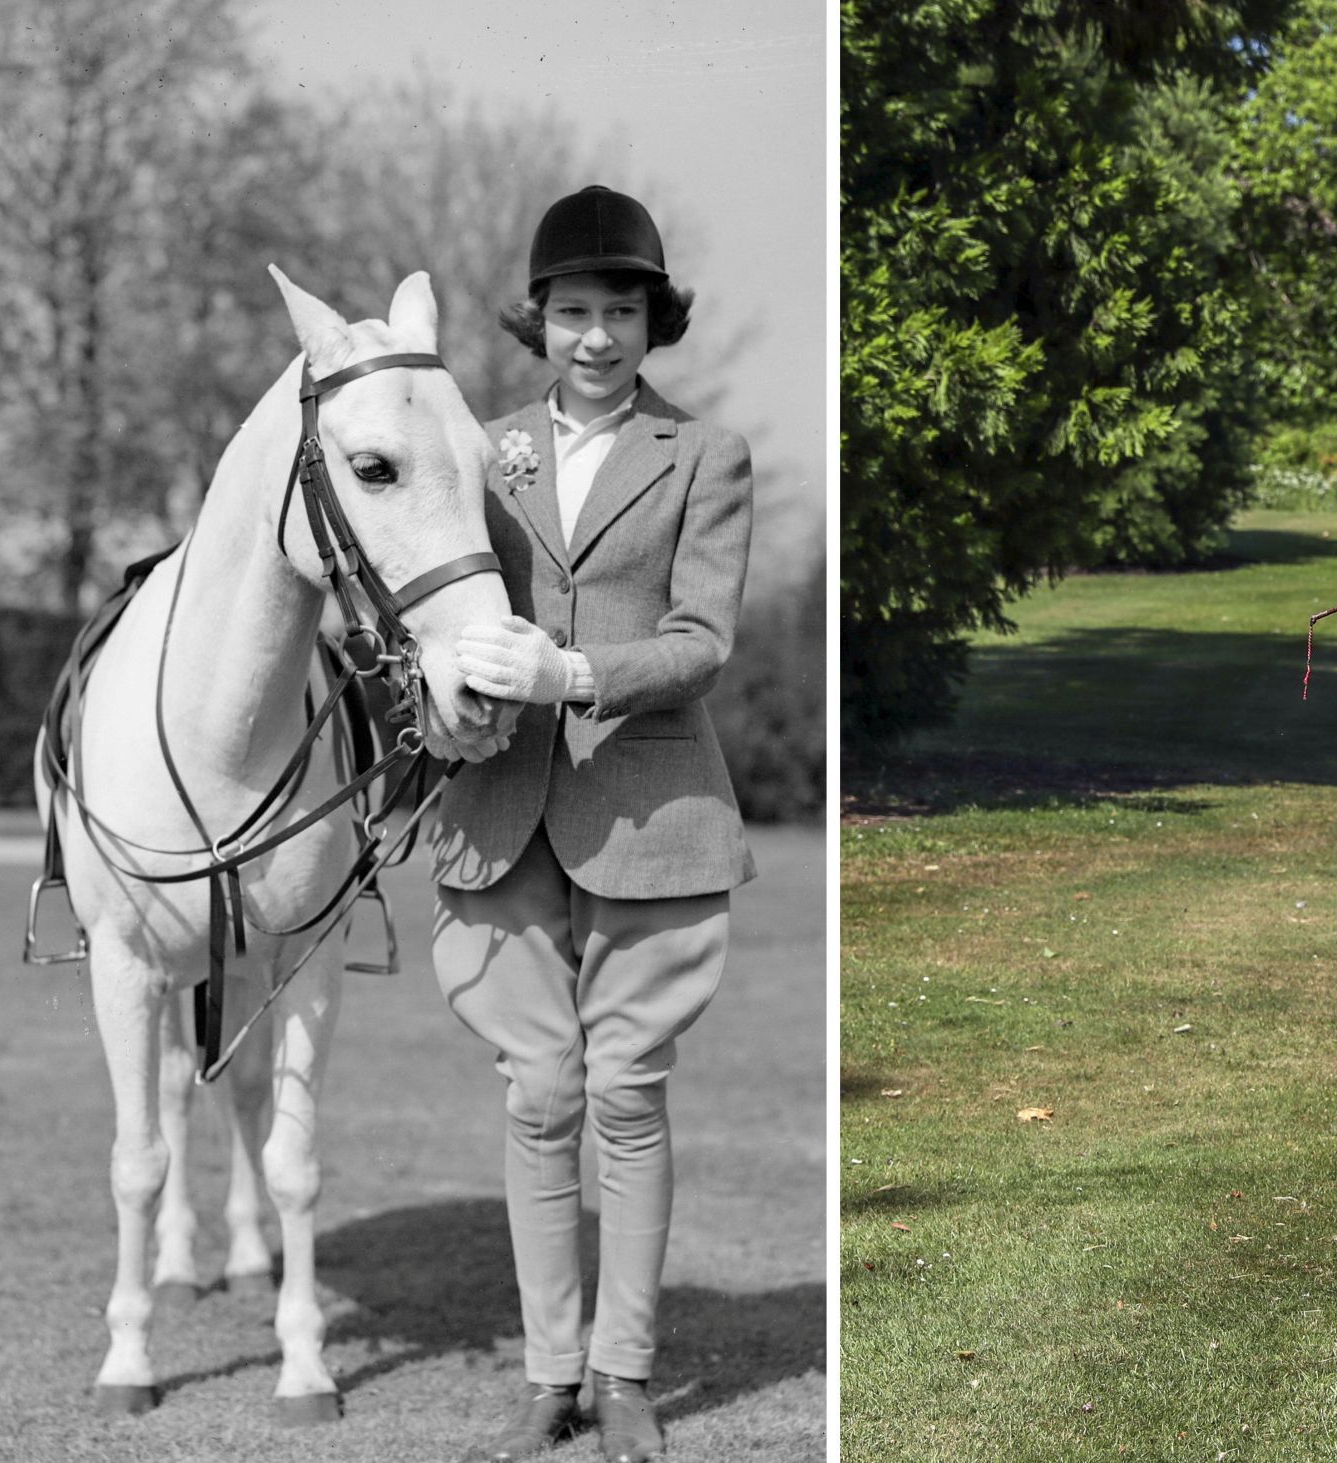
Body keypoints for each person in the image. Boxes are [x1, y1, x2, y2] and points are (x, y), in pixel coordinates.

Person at [429, 184, 756, 1463]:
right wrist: (445, 693)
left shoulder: (706, 454)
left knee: (626, 1093)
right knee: (538, 1094)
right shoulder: (479, 448)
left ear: (652, 320)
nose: (596, 336)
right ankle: (545, 1374)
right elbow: (433, 612)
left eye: (620, 310)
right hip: (499, 808)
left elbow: (703, 640)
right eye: (573, 310)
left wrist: (572, 674)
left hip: (649, 805)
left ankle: (623, 1375)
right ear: (540, 319)